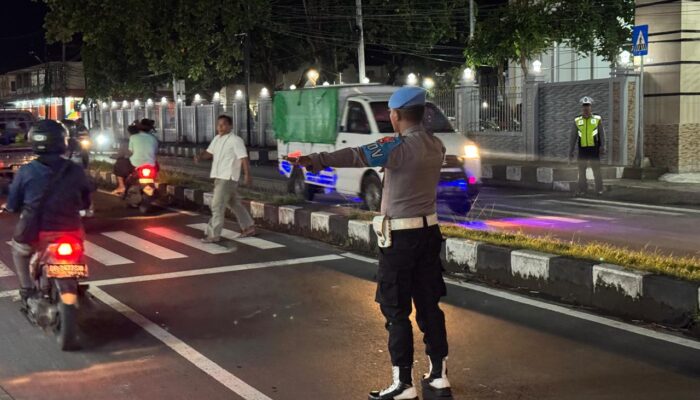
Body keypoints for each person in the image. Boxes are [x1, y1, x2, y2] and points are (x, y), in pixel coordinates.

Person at [292, 87, 451, 400]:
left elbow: (356, 154)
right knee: (430, 305)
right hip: (429, 233)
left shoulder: (395, 146)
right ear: (422, 113)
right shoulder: (436, 144)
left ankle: (403, 384)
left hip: (401, 239)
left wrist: (317, 160)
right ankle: (438, 377)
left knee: (395, 308)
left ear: (395, 115)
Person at [3, 120, 91, 307]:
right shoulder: (75, 169)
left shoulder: (25, 172)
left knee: (19, 251)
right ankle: (76, 281)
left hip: (34, 232)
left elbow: (12, 204)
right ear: (63, 141)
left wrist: (11, 208)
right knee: (78, 247)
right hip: (71, 229)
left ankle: (26, 289)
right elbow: (86, 198)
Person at [194, 115, 255, 242]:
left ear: (230, 126)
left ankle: (213, 234)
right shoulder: (217, 139)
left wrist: (248, 175)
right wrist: (200, 156)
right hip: (218, 176)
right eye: (218, 125)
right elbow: (209, 153)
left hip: (228, 177)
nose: (220, 127)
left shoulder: (235, 140)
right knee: (233, 203)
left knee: (217, 206)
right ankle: (248, 227)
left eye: (223, 124)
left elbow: (243, 158)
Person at [569, 96, 606, 196]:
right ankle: (582, 190)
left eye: (588, 106)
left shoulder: (597, 119)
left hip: (594, 148)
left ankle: (599, 189)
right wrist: (571, 151)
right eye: (584, 107)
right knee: (581, 171)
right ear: (581, 108)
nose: (586, 109)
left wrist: (603, 146)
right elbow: (573, 136)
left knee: (596, 170)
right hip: (582, 149)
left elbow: (602, 134)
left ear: (591, 107)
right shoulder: (577, 120)